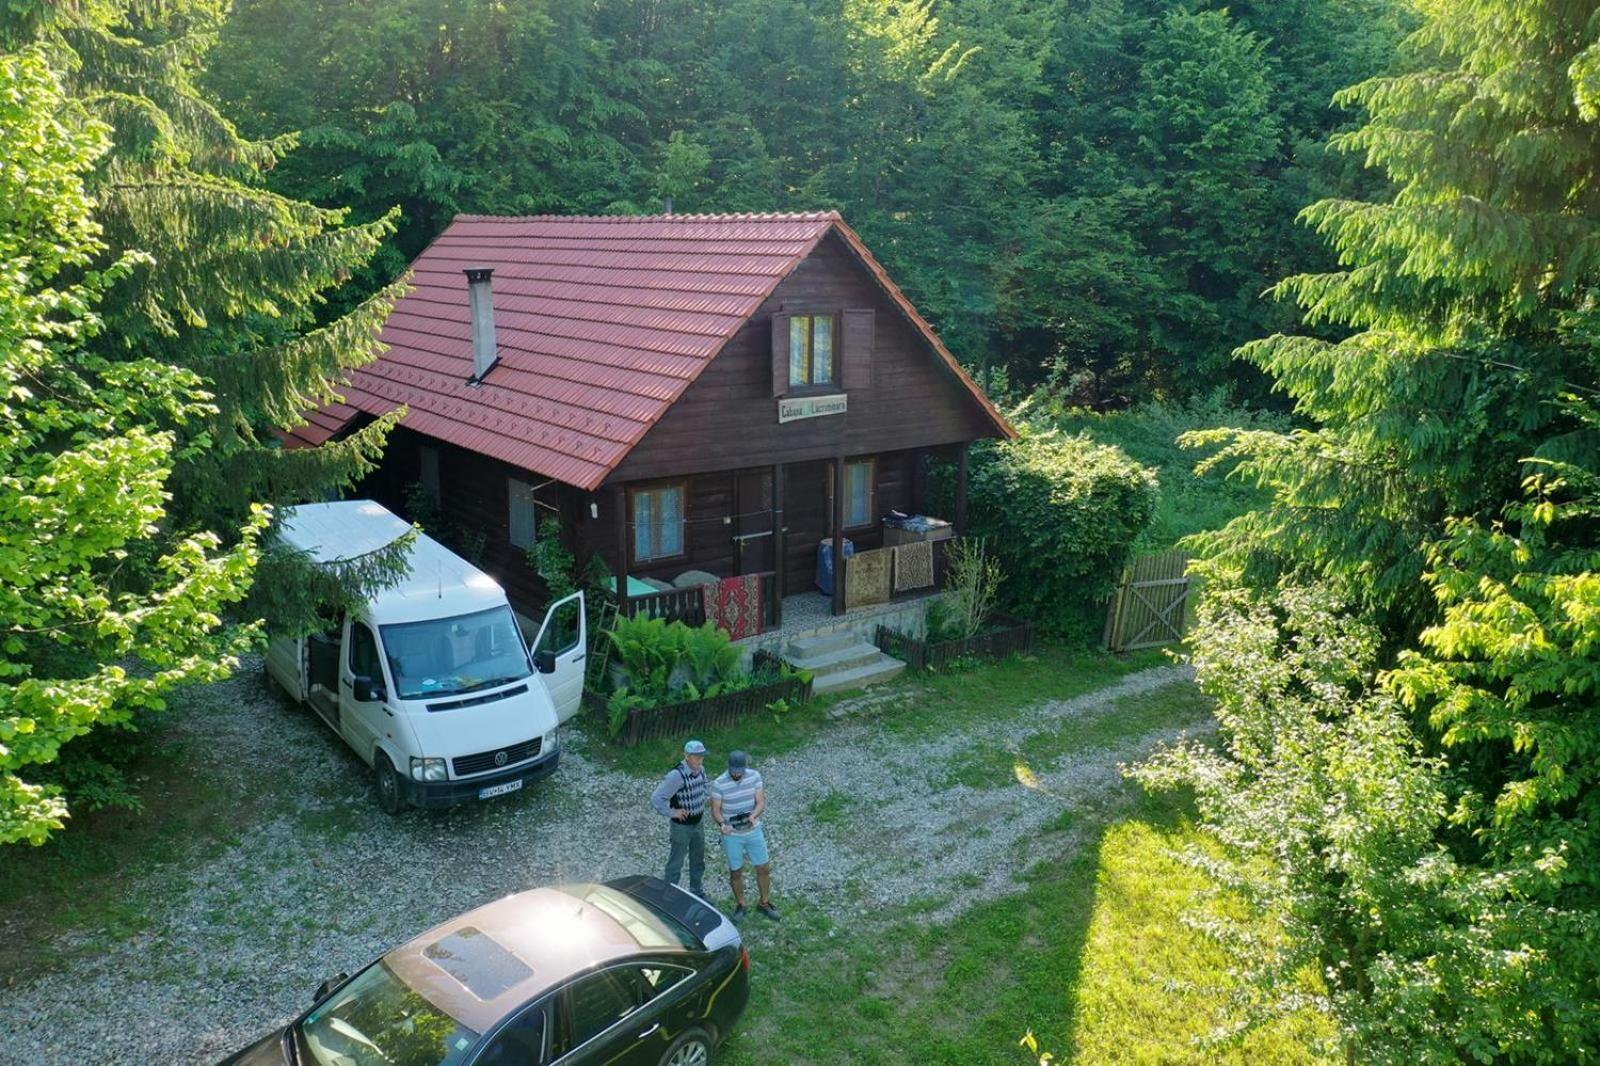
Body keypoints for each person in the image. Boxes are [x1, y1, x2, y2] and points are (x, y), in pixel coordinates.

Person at [710, 750, 778, 921]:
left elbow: (761, 801)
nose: (737, 773)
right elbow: (716, 810)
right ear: (729, 767)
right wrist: (723, 824)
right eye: (734, 770)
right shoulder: (719, 783)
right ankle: (741, 904)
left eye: (740, 770)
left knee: (763, 867)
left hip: (753, 830)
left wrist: (753, 816)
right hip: (732, 834)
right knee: (735, 871)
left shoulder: (754, 776)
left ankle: (764, 902)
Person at [651, 739, 709, 898]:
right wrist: (673, 812)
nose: (700, 760)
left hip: (698, 823)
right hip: (681, 826)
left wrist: (702, 798)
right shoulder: (676, 776)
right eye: (696, 756)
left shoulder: (701, 769)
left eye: (702, 756)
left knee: (698, 859)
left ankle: (696, 891)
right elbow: (657, 798)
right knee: (676, 861)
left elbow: (704, 786)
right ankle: (669, 894)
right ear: (687, 756)